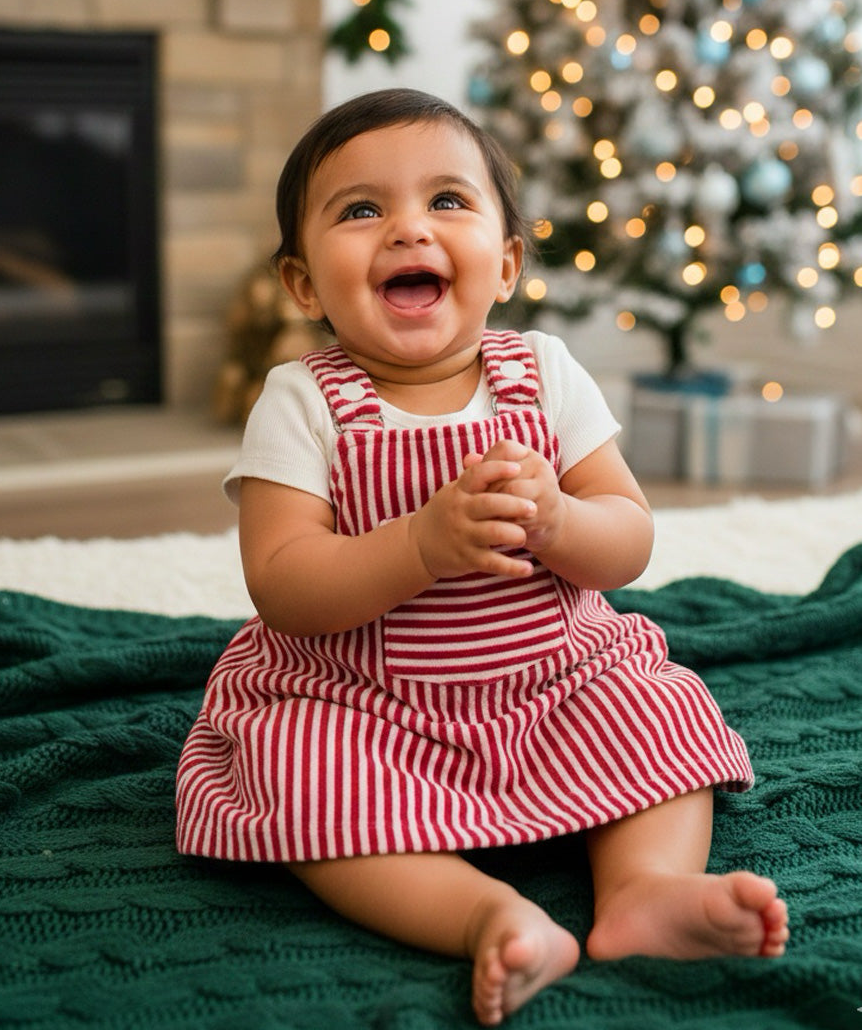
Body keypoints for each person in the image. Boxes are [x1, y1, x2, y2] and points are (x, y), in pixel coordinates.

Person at [176, 89, 788, 1026]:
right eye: (362, 209)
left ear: (503, 263)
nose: (406, 230)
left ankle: (644, 891)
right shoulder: (302, 402)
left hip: (551, 683)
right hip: (361, 705)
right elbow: (285, 584)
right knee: (294, 779)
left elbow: (627, 538)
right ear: (303, 285)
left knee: (663, 711)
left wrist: (558, 525)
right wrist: (420, 543)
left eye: (446, 202)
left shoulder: (543, 374)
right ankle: (487, 915)